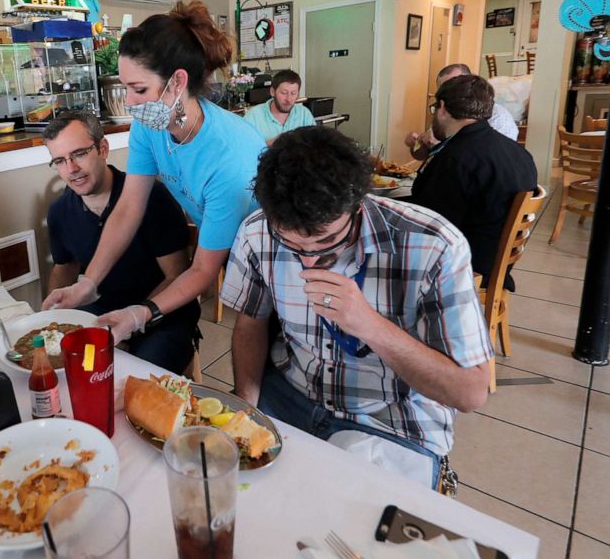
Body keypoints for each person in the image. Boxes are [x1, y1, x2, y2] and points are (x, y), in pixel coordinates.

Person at [221, 126, 493, 488]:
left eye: (328, 242)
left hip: (391, 420)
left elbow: (469, 392)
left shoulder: (433, 246)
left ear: (358, 205)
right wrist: (247, 409)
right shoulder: (257, 232)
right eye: (291, 244)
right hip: (289, 396)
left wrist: (369, 324)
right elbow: (251, 323)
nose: (310, 262)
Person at [43, 0, 266, 346]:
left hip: (272, 254)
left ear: (177, 83)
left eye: (139, 89)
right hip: (227, 244)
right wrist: (89, 282)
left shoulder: (228, 159)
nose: (129, 102)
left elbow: (203, 272)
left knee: (261, 342)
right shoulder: (152, 125)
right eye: (125, 87)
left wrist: (141, 313)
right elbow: (129, 207)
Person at [43, 111, 200, 374]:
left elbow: (178, 275)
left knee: (134, 381)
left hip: (162, 314)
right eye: (60, 160)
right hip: (101, 313)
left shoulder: (151, 197)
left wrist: (134, 323)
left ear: (103, 149)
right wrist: (52, 316)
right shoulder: (59, 212)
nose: (71, 169)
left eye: (79, 154)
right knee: (63, 373)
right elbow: (64, 267)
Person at [407, 74, 537, 290]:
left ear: (442, 107)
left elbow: (429, 224)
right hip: (497, 261)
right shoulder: (519, 152)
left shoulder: (455, 158)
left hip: (465, 265)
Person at [405, 63, 519, 160]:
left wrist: (440, 149)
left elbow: (484, 164)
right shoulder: (445, 111)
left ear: (471, 84)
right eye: (443, 90)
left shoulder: (499, 118)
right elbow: (423, 154)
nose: (448, 94)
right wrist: (415, 144)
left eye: (455, 87)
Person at [242, 69, 316, 144]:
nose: (288, 99)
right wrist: (272, 144)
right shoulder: (253, 116)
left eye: (293, 93)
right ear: (272, 92)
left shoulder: (304, 114)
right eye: (284, 93)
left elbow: (316, 145)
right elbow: (243, 147)